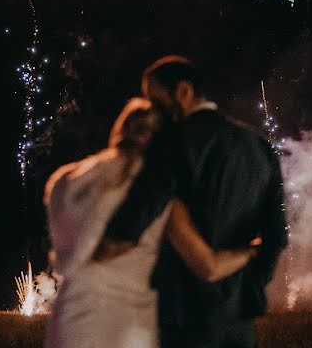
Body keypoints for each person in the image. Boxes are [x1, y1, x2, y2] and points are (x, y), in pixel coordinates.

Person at [100, 56, 288, 348]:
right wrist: (247, 286)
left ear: (183, 91)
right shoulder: (259, 147)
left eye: (156, 100)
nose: (153, 110)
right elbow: (277, 235)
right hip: (238, 320)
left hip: (182, 317)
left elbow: (130, 226)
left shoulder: (172, 143)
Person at [44, 97, 258, 348]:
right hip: (128, 327)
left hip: (71, 322)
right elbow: (207, 266)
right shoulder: (155, 190)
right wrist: (251, 251)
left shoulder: (66, 179)